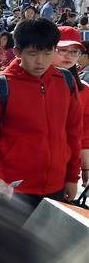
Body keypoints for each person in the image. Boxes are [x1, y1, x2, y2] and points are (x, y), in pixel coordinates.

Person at [0, 18, 83, 209]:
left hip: (56, 186)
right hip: (12, 189)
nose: (40, 61)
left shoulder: (65, 81)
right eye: (33, 54)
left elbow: (73, 131)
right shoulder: (1, 86)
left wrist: (72, 176)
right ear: (17, 52)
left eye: (47, 53)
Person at [52, 27, 89, 184]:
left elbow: (84, 136)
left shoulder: (84, 90)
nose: (69, 56)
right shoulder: (31, 84)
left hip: (63, 170)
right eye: (63, 50)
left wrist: (85, 168)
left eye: (74, 51)